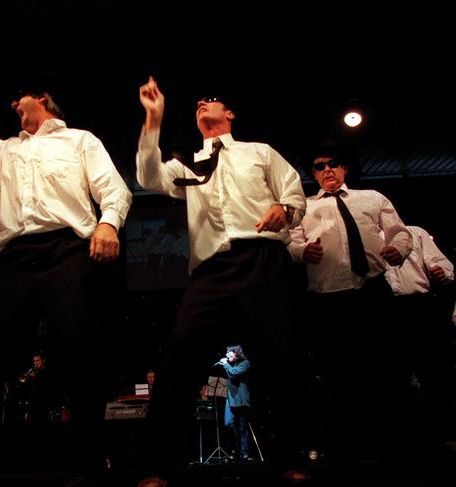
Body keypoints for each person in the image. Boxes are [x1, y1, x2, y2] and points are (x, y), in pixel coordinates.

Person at [0, 73, 132, 481]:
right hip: (16, 255)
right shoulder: (4, 150)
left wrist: (108, 224)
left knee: (80, 351)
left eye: (21, 98)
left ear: (43, 100)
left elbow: (113, 188)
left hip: (69, 249)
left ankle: (89, 460)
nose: (14, 106)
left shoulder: (79, 140)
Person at [136, 76, 307, 479]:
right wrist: (153, 120)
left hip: (261, 257)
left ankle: (293, 460)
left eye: (210, 99)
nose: (201, 103)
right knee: (179, 357)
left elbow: (294, 191)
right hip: (211, 269)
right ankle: (158, 464)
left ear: (229, 113)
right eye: (197, 101)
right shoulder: (189, 163)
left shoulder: (258, 152)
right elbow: (147, 176)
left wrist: (284, 208)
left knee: (280, 358)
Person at [287, 140, 413, 466]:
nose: (327, 170)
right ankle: (345, 452)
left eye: (332, 163)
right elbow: (290, 241)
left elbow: (400, 232)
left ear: (344, 168)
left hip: (372, 292)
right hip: (328, 300)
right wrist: (302, 252)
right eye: (319, 165)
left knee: (385, 370)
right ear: (313, 173)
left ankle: (394, 446)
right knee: (336, 377)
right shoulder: (304, 205)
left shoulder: (372, 198)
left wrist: (399, 249)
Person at [384, 225, 455, 455]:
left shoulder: (414, 232)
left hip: (420, 306)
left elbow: (443, 263)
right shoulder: (362, 237)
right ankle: (405, 443)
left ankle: (438, 438)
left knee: (434, 374)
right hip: (385, 310)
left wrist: (441, 273)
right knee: (395, 379)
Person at [216, 344, 251, 462]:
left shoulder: (245, 363)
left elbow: (234, 374)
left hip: (241, 400)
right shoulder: (231, 365)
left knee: (242, 427)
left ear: (235, 353)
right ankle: (236, 448)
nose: (226, 355)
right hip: (230, 400)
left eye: (228, 352)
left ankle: (244, 452)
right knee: (228, 423)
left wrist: (225, 364)